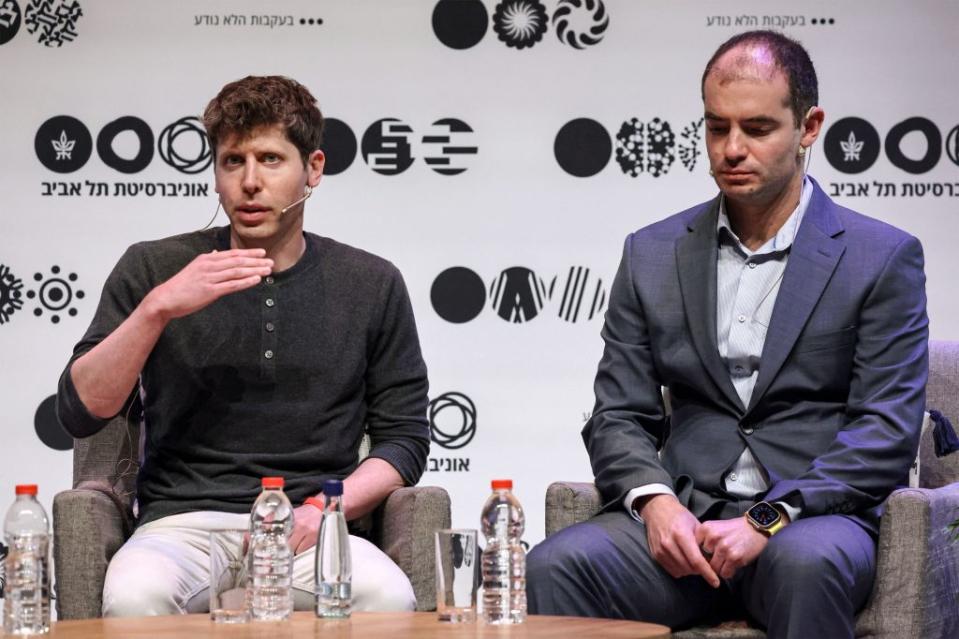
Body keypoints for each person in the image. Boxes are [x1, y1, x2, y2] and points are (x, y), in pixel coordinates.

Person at [526, 30, 928, 639]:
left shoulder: (880, 257)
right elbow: (617, 415)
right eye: (717, 128)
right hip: (685, 526)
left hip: (809, 524)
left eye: (758, 129)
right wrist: (655, 502)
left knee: (807, 565)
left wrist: (766, 519)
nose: (732, 149)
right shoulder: (651, 254)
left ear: (809, 127)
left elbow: (884, 432)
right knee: (556, 566)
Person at [55, 76, 430, 616]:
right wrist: (157, 309)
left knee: (387, 599)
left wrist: (324, 507)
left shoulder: (371, 282)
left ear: (314, 168)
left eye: (271, 159)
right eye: (233, 161)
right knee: (134, 599)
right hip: (181, 528)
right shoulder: (153, 268)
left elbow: (405, 440)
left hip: (310, 523)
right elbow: (80, 411)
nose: (250, 182)